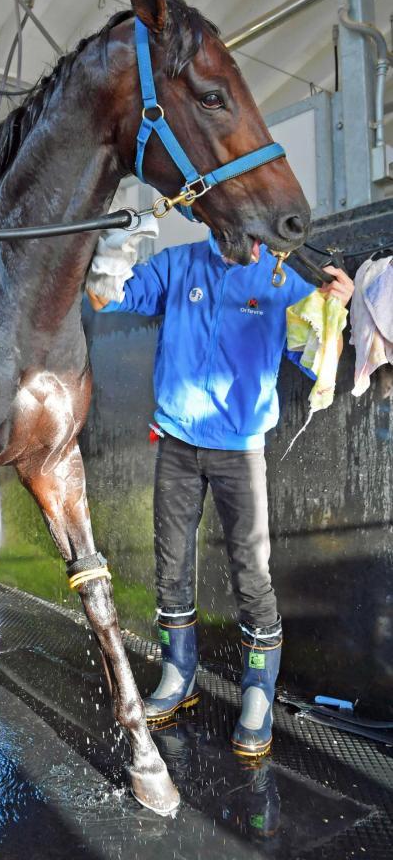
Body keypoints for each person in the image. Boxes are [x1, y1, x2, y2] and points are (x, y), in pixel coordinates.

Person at [87, 230, 354, 756]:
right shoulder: (178, 265)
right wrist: (116, 244)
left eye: (262, 235)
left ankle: (259, 689)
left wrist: (334, 313)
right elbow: (106, 295)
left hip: (241, 449)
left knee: (252, 573)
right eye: (243, 231)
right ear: (217, 221)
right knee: (170, 567)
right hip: (178, 443)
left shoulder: (281, 279)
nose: (255, 244)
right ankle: (178, 673)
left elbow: (316, 362)